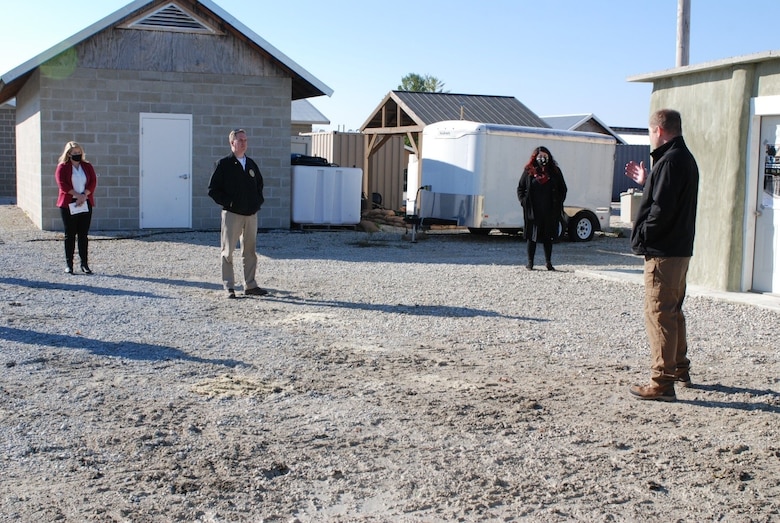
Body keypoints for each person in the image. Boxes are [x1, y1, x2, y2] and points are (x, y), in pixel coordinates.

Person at [625, 109, 699, 402]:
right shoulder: (682, 158)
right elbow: (667, 198)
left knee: (659, 315)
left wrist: (642, 235)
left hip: (664, 251)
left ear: (658, 130)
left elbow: (661, 210)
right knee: (672, 311)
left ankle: (662, 381)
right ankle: (679, 369)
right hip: (678, 249)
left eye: (650, 132)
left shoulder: (670, 161)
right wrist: (648, 182)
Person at [208, 129, 266, 299]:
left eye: (245, 140)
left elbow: (259, 186)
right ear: (232, 143)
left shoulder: (251, 164)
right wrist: (230, 203)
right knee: (228, 252)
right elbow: (213, 190)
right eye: (240, 140)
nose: (244, 143)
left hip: (250, 214)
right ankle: (229, 286)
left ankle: (250, 285)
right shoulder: (223, 164)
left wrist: (257, 203)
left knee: (250, 251)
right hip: (232, 214)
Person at [516, 146, 567, 270]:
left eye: (545, 156)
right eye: (540, 156)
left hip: (550, 211)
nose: (542, 159)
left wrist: (558, 202)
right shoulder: (529, 171)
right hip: (533, 211)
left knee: (548, 238)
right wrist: (524, 201)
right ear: (535, 157)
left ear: (549, 157)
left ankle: (548, 262)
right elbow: (520, 188)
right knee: (531, 237)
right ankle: (530, 263)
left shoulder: (555, 171)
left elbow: (563, 189)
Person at [55, 141, 97, 275]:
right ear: (69, 154)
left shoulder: (87, 166)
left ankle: (84, 264)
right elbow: (63, 185)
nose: (77, 155)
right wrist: (77, 195)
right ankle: (69, 264)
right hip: (69, 203)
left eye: (79, 152)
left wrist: (84, 196)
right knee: (70, 234)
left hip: (85, 201)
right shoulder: (63, 167)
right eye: (75, 153)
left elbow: (93, 182)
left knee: (83, 234)